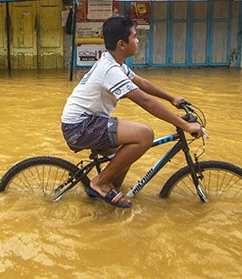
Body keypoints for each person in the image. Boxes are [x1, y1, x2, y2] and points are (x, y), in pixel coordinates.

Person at [61, 16, 202, 208]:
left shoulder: (115, 64)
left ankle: (107, 191)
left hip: (88, 122)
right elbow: (144, 101)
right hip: (81, 126)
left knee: (126, 151)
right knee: (144, 135)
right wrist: (184, 124)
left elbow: (142, 83)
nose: (138, 41)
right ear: (122, 44)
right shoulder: (110, 69)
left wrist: (171, 98)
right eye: (135, 37)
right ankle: (100, 183)